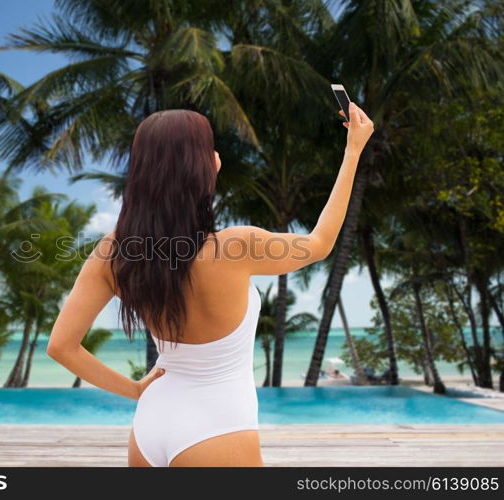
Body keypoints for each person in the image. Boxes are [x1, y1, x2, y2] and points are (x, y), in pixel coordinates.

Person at [47, 103, 374, 467]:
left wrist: (136, 390)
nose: (217, 155)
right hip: (217, 427)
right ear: (198, 166)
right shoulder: (238, 246)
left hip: (151, 424)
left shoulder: (113, 251)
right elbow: (320, 242)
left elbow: (61, 346)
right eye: (210, 148)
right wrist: (353, 150)